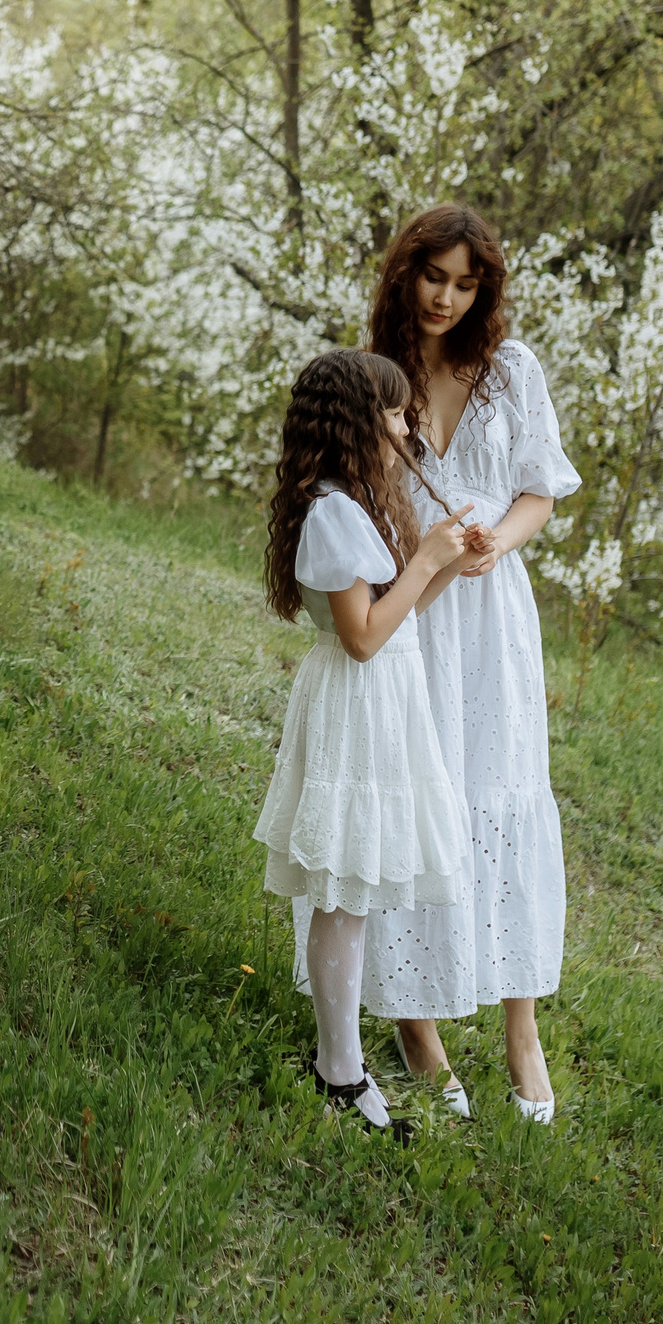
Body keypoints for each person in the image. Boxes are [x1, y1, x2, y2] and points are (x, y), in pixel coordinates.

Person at [357, 203, 583, 1124]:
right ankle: (416, 1020)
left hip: (491, 619)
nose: (446, 297)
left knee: (498, 789)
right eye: (432, 277)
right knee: (420, 798)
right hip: (419, 610)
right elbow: (365, 507)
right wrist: (429, 552)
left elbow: (541, 490)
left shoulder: (510, 370)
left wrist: (500, 543)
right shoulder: (378, 380)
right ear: (404, 274)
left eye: (465, 282)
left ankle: (520, 1027)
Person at [253, 348, 477, 1138]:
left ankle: (339, 1057)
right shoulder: (331, 513)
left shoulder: (363, 501)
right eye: (388, 412)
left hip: (386, 701)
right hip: (356, 701)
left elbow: (398, 611)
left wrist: (448, 563)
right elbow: (360, 637)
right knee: (342, 889)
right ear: (352, 421)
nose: (402, 423)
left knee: (356, 886)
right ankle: (337, 1066)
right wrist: (423, 559)